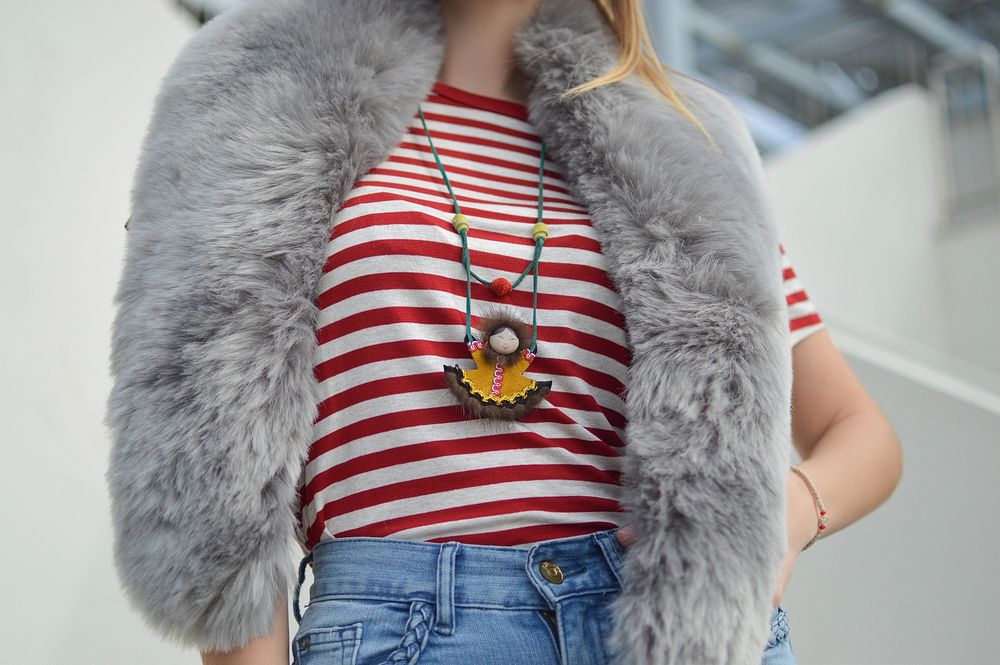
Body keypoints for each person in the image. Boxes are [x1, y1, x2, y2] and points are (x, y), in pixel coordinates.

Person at [104, 1, 903, 664]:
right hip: (404, 622)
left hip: (669, 625)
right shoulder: (260, 97)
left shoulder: (687, 141)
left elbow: (859, 431)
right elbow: (211, 462)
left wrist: (787, 511)